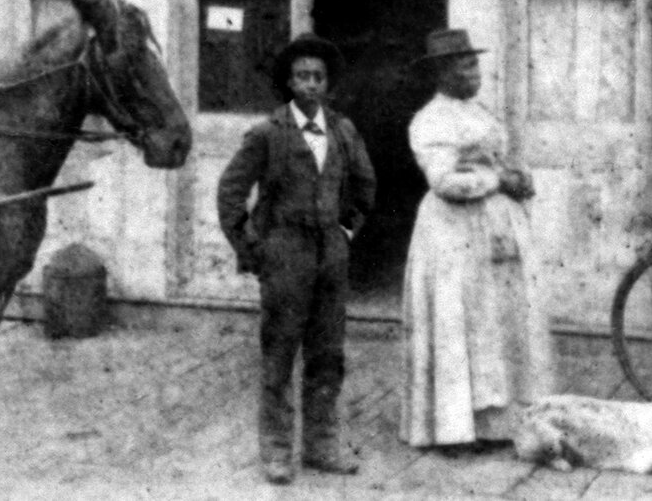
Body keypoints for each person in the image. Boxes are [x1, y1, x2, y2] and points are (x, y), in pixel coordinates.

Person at [217, 32, 378, 485]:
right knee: (280, 353)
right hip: (284, 253)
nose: (310, 84)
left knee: (328, 354)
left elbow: (365, 188)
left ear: (328, 84)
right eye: (302, 76)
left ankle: (322, 445)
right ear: (289, 82)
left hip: (331, 255)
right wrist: (253, 250)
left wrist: (346, 232)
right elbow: (231, 192)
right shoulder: (268, 134)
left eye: (318, 77)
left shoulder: (343, 132)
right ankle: (277, 451)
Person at [401, 27, 554, 451]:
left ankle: (496, 424)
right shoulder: (431, 120)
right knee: (459, 321)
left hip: (495, 229)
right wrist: (496, 179)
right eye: (464, 66)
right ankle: (454, 428)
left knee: (497, 320)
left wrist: (517, 177)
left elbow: (497, 160)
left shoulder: (480, 113)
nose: (474, 74)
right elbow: (444, 181)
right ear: (442, 72)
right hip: (453, 231)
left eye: (475, 65)